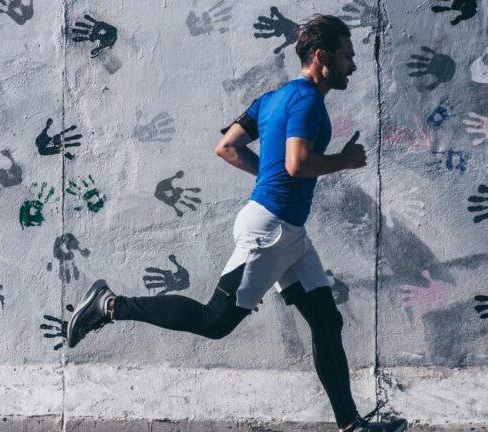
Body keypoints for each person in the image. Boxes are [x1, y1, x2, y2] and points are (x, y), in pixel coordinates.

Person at [65, 14, 408, 432]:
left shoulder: (271, 99)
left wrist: (272, 175)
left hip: (290, 234)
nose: (352, 65)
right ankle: (110, 305)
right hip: (271, 233)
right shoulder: (307, 102)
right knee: (215, 322)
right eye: (347, 56)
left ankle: (350, 424)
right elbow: (297, 164)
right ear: (322, 58)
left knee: (325, 320)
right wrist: (345, 161)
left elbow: (227, 147)